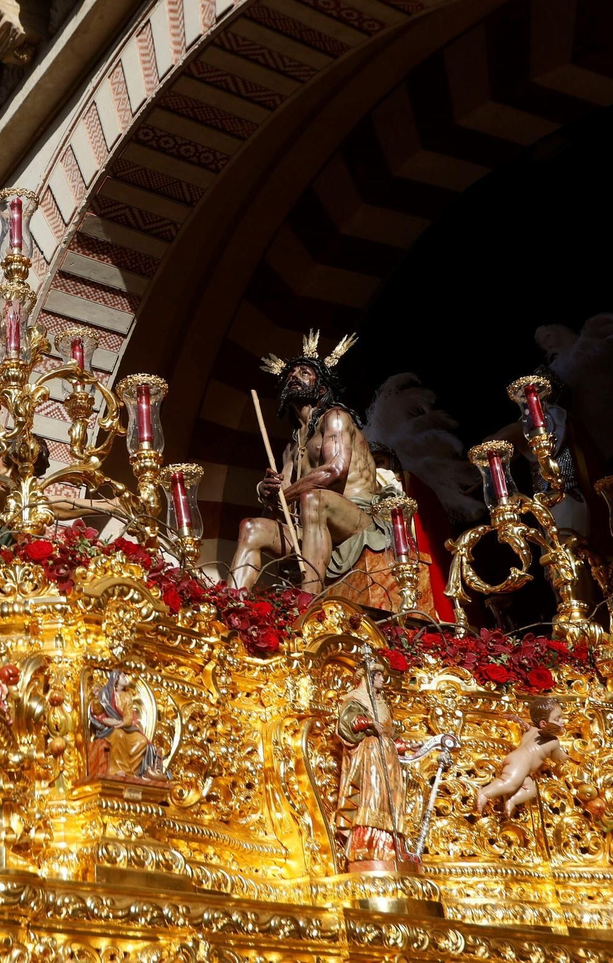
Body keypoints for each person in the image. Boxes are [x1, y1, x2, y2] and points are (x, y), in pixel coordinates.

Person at [233, 332, 389, 595]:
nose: (294, 376)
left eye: (304, 372)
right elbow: (281, 504)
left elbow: (334, 471)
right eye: (291, 374)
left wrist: (284, 494)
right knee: (251, 528)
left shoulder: (336, 418)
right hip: (312, 525)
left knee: (313, 498)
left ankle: (307, 602)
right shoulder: (292, 448)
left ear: (323, 387)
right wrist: (266, 490)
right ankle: (230, 603)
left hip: (356, 519)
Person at [334, 657, 415, 871]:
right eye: (378, 676)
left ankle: (391, 844)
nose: (381, 680)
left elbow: (391, 733)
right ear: (368, 678)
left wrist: (404, 745)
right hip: (369, 753)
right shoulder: (356, 699)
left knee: (393, 799)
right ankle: (367, 844)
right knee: (374, 796)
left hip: (387, 755)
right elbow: (347, 724)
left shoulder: (382, 703)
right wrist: (369, 723)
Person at [475, 697, 565, 817]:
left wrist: (518, 720)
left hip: (519, 764)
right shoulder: (554, 741)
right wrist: (569, 757)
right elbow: (558, 758)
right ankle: (485, 793)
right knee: (508, 783)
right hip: (521, 763)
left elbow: (525, 726)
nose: (562, 721)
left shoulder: (532, 729)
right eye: (557, 718)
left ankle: (512, 800)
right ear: (544, 723)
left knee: (530, 789)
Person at [87, 670, 167, 781]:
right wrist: (96, 697)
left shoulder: (127, 696)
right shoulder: (106, 693)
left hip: (123, 726)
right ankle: (116, 770)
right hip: (108, 728)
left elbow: (128, 716)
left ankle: (131, 772)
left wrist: (121, 723)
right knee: (118, 735)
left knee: (141, 741)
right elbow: (98, 711)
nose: (126, 679)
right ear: (116, 679)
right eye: (123, 677)